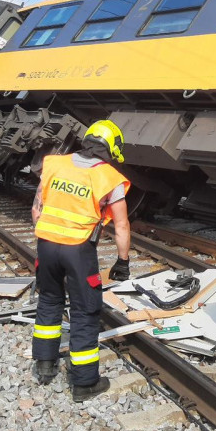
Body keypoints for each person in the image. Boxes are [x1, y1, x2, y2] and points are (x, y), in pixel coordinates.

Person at [30, 119, 132, 401]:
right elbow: (121, 226)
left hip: (47, 246)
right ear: (111, 148)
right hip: (78, 251)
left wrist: (48, 236)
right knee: (85, 311)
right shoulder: (109, 178)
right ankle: (85, 383)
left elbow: (37, 209)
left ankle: (45, 365)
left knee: (49, 301)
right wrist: (122, 262)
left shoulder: (56, 164)